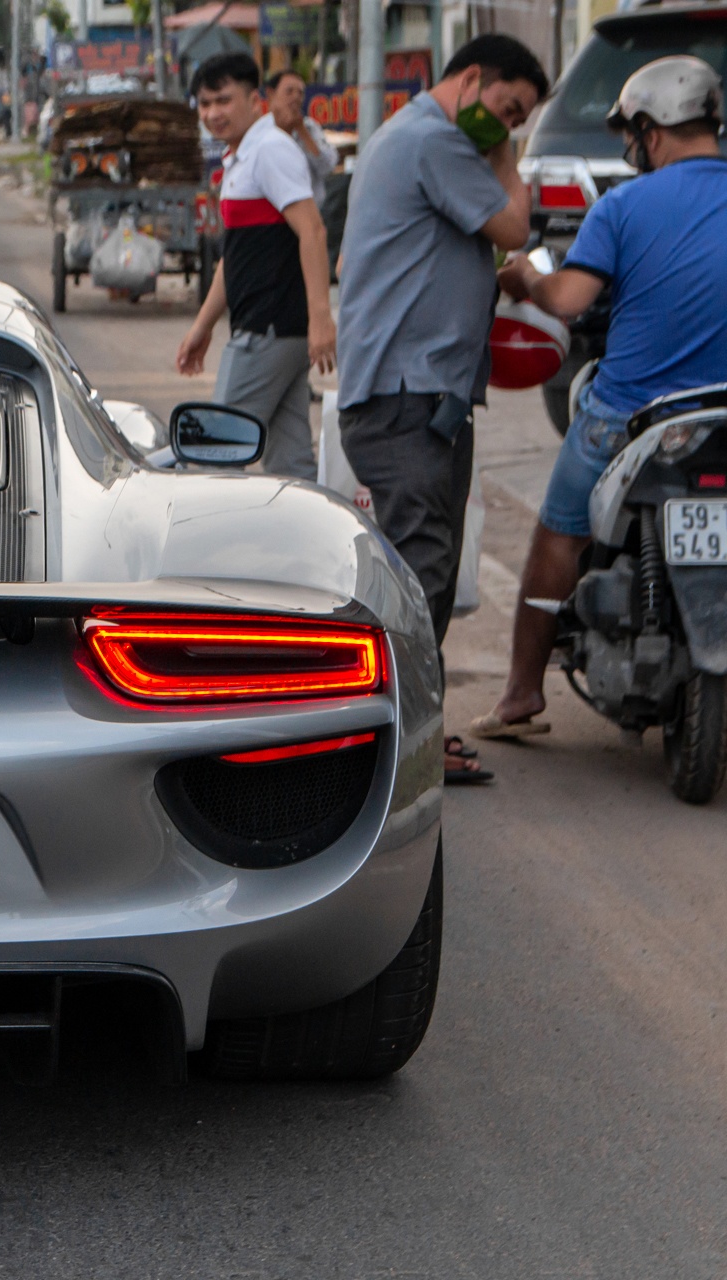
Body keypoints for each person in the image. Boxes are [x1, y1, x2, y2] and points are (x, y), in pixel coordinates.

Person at [473, 56, 727, 742]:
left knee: (558, 532)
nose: (629, 146)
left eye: (631, 134)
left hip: (631, 416)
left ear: (650, 130)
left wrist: (525, 277)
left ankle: (523, 693)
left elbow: (570, 300)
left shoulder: (620, 206)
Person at [333, 34, 545, 783]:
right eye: (507, 108)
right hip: (404, 398)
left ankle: (416, 730)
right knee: (421, 576)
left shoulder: (415, 139)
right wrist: (506, 159)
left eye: (519, 121)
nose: (509, 125)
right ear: (474, 78)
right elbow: (514, 226)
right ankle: (403, 749)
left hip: (420, 398)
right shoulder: (434, 140)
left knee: (429, 575)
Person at [174, 53, 336, 480]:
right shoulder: (241, 158)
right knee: (290, 465)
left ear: (255, 99)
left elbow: (313, 231)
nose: (213, 113)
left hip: (267, 331)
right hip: (272, 331)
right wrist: (203, 326)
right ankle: (309, 544)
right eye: (205, 104)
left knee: (214, 454)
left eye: (224, 101)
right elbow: (237, 256)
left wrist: (321, 319)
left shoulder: (270, 151)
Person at [265, 69, 337, 206]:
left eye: (300, 93)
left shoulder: (310, 128)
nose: (296, 97)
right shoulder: (261, 132)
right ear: (271, 94)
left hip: (311, 214)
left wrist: (302, 131)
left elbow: (327, 167)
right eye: (289, 91)